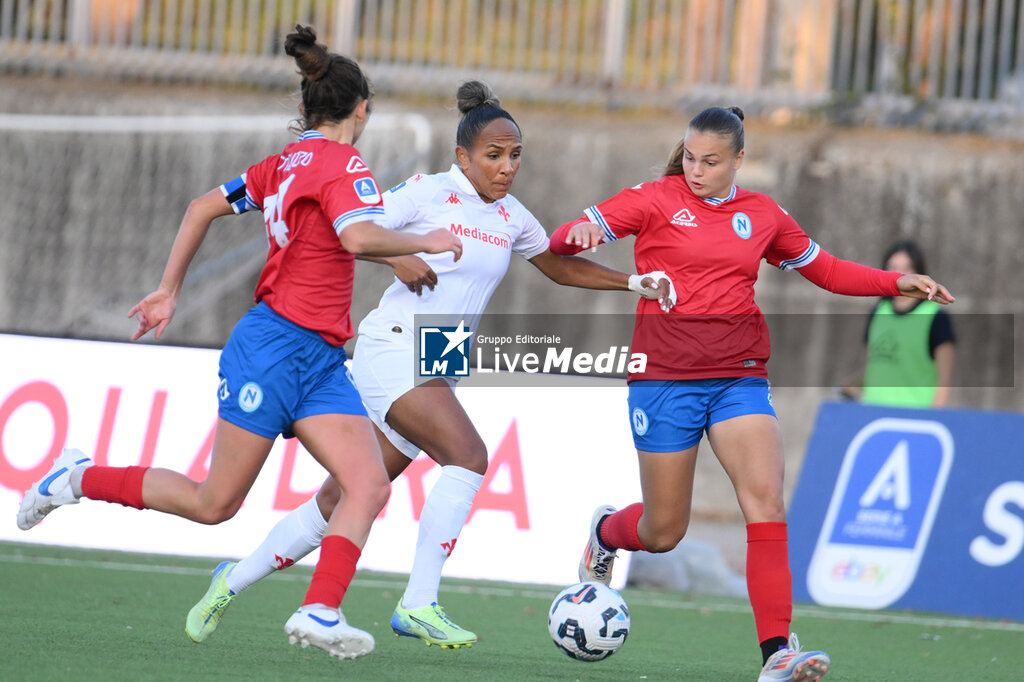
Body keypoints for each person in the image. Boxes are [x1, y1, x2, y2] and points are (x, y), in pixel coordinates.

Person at [16, 25, 463, 662]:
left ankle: (320, 608)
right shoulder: (344, 164)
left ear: (307, 107)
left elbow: (205, 207)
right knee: (214, 503)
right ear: (361, 109)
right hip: (274, 348)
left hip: (318, 360)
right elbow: (359, 237)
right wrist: (428, 241)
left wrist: (170, 290)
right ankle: (78, 478)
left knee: (367, 484)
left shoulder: (282, 164)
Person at [181, 80, 675, 650]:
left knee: (337, 500)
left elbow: (561, 268)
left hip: (439, 358)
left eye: (515, 155)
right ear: (462, 156)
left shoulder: (514, 216)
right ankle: (419, 602)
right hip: (395, 345)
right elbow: (357, 233)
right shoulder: (425, 192)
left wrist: (633, 281)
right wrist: (405, 257)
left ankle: (230, 581)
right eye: (493, 155)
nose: (506, 166)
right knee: (468, 456)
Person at [549, 106, 954, 681]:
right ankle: (607, 531)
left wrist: (895, 283)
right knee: (663, 532)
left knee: (766, 503)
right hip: (663, 380)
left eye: (710, 161)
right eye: (689, 157)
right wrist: (580, 231)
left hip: (739, 376)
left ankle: (777, 657)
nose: (696, 169)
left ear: (739, 160)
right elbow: (564, 239)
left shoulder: (761, 214)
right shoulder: (654, 198)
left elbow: (829, 270)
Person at [843, 239, 955, 408]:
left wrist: (934, 417)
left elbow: (944, 380)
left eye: (906, 268)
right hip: (874, 415)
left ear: (919, 272)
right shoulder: (878, 312)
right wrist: (854, 385)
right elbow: (874, 365)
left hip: (913, 417)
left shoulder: (935, 317)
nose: (900, 275)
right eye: (892, 268)